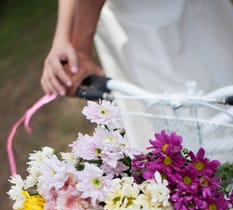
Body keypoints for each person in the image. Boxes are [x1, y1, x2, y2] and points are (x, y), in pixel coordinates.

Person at [41, 0, 233, 148]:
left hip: (168, 24)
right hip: (131, 27)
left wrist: (80, 46)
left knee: (196, 123)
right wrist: (63, 38)